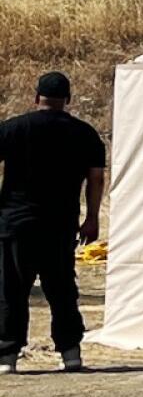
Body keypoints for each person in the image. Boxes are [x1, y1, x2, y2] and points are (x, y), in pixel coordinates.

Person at [0, 72, 107, 374]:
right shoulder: (84, 134)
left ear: (36, 98)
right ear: (68, 100)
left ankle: (7, 357)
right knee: (61, 291)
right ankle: (70, 354)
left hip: (15, 223)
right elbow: (96, 177)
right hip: (59, 226)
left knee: (12, 291)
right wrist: (92, 218)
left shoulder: (13, 129)